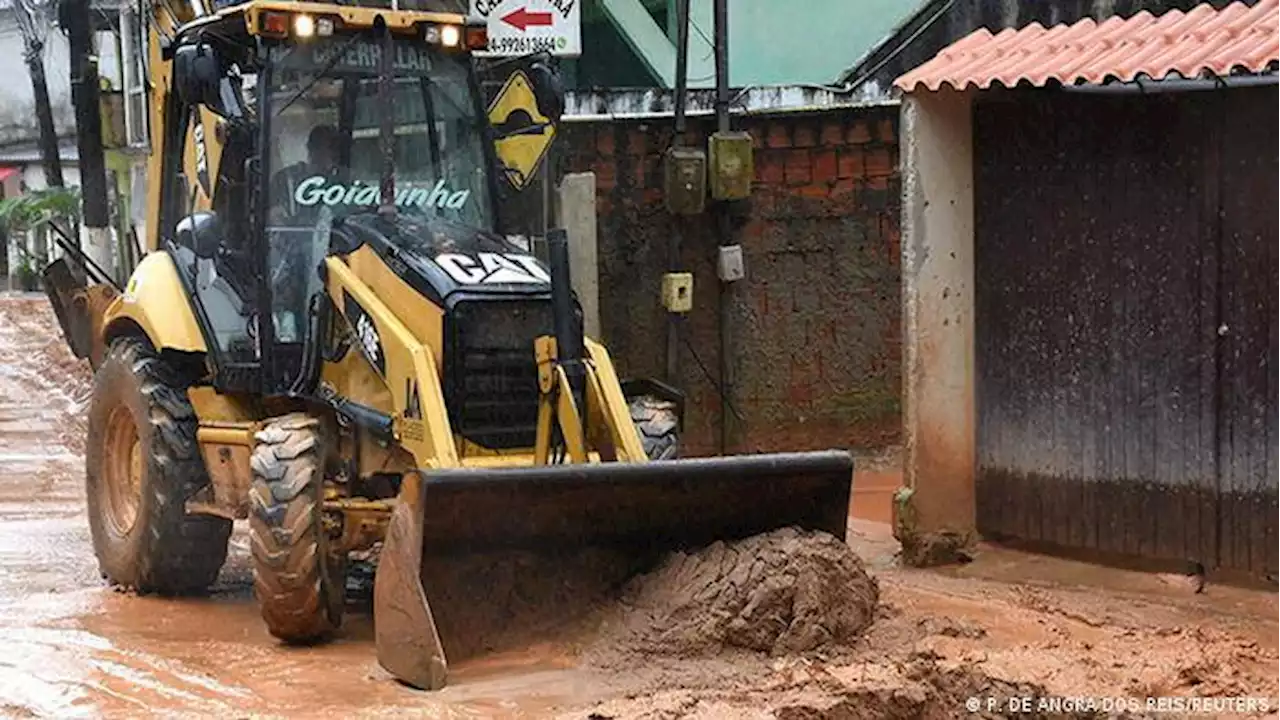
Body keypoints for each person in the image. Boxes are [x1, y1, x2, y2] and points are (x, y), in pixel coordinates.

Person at [270, 124, 342, 223]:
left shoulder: (341, 185)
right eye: (322, 148)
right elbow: (270, 216)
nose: (332, 156)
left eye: (335, 151)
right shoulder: (284, 180)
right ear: (310, 149)